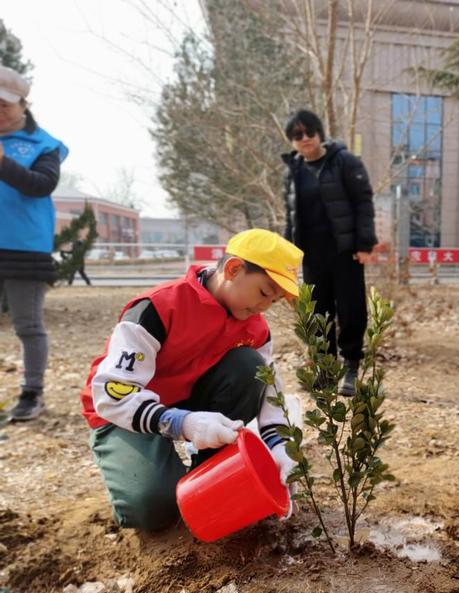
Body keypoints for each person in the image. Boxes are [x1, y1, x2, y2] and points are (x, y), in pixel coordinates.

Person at [80, 229, 303, 530]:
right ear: (233, 268)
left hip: (191, 401)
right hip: (125, 411)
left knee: (250, 366)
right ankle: (140, 485)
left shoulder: (256, 328)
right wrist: (183, 423)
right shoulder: (157, 307)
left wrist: (280, 446)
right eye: (264, 292)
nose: (264, 307)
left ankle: (206, 471)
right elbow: (112, 396)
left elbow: (270, 392)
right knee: (155, 507)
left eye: (274, 302)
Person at [281, 110, 377, 397]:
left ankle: (350, 366)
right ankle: (325, 369)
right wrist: (288, 254)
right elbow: (291, 215)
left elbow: (363, 202)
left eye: (309, 132)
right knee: (318, 312)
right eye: (297, 135)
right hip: (311, 254)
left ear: (320, 133)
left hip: (345, 252)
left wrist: (364, 244)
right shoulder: (293, 170)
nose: (305, 138)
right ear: (292, 140)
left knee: (350, 310)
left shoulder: (344, 161)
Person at [0, 66, 68, 421]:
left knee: (27, 324)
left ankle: (32, 393)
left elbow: (40, 185)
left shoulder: (44, 146)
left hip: (24, 248)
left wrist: (2, 163)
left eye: (4, 104)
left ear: (23, 104)